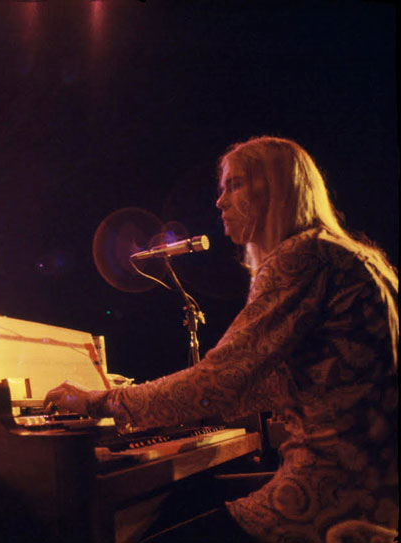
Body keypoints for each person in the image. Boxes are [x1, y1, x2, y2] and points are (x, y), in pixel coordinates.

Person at [45, 137, 398, 543]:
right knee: (187, 501)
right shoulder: (349, 254)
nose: (220, 202)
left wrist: (100, 402)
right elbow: (269, 384)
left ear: (275, 189)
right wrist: (172, 408)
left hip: (327, 502)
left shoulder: (300, 257)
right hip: (377, 493)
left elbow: (218, 382)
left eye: (235, 185)